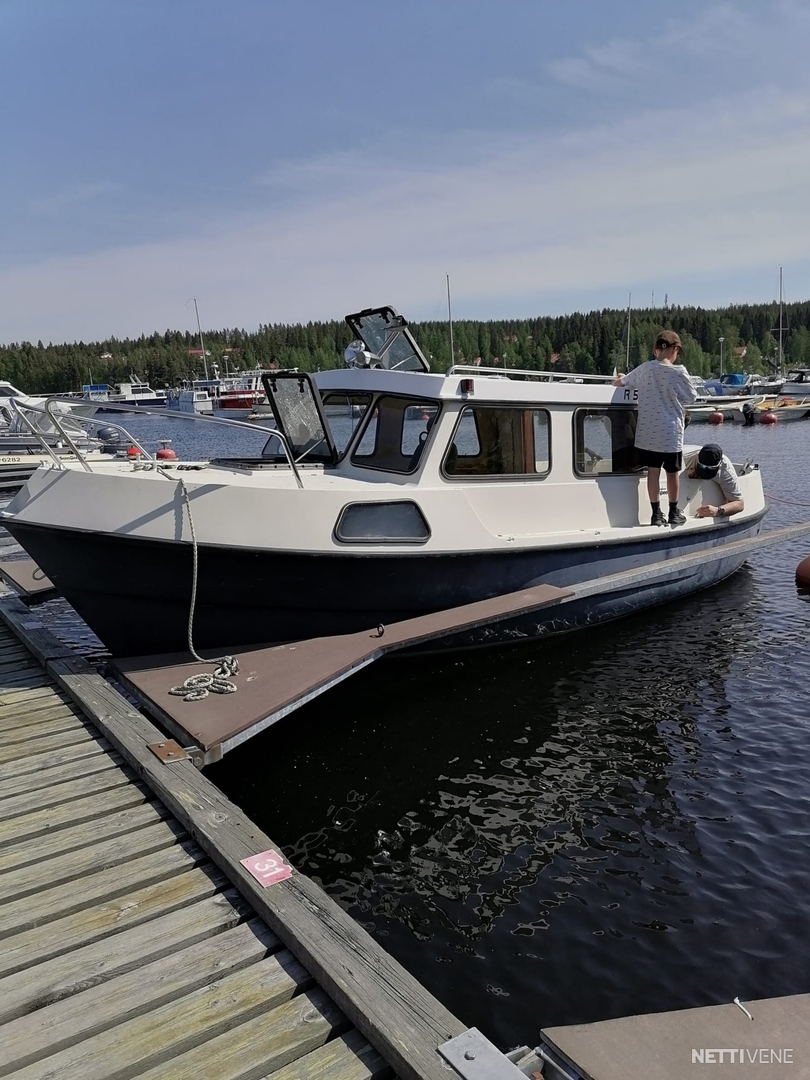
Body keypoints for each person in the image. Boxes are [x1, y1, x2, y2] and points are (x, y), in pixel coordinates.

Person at [614, 330, 697, 526]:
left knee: (653, 472)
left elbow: (621, 382)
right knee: (672, 473)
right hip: (671, 433)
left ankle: (655, 513)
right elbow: (691, 397)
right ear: (674, 350)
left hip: (648, 434)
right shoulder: (679, 372)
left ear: (655, 351)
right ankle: (674, 511)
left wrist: (621, 377)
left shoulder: (644, 369)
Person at [686, 443, 744, 518]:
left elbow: (740, 503)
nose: (706, 470)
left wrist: (718, 511)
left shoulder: (725, 469)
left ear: (719, 464)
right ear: (697, 458)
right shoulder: (681, 459)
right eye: (702, 467)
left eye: (711, 469)